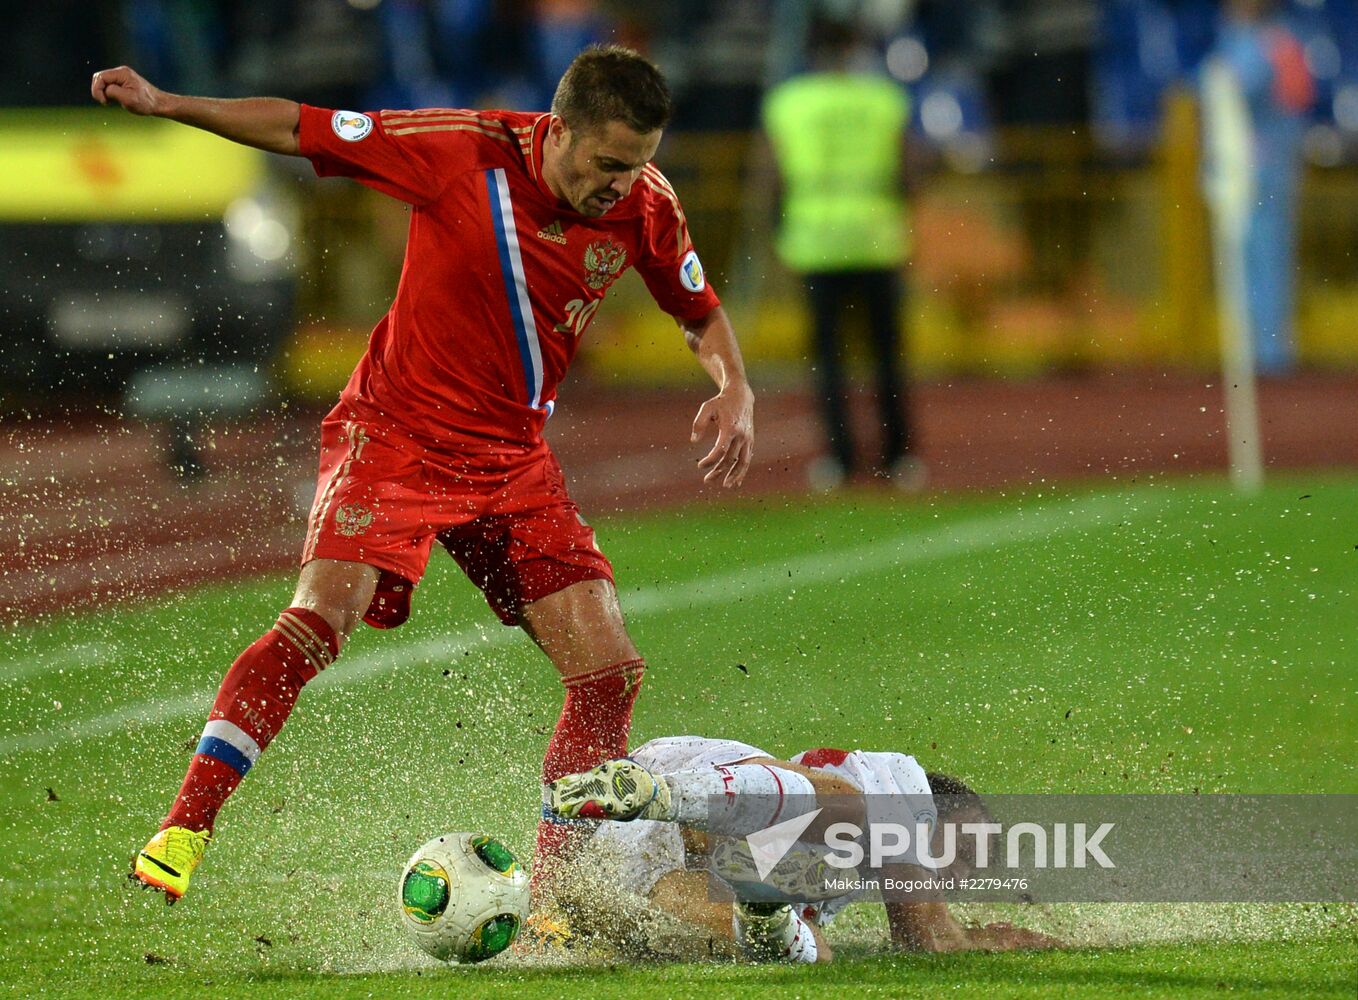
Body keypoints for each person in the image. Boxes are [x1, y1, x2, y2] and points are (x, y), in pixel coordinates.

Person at [91, 45, 755, 904]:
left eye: (636, 166)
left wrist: (733, 385)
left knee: (608, 673)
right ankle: (185, 826)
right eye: (607, 165)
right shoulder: (458, 150)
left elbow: (696, 308)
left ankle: (556, 904)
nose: (619, 186)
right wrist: (167, 101)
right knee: (319, 621)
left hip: (512, 459)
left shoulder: (646, 203)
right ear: (559, 131)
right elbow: (298, 126)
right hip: (396, 438)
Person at [544, 736, 1060, 962]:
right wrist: (980, 938)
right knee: (850, 809)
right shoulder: (900, 781)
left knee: (807, 948)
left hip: (627, 857)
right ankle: (658, 794)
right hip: (699, 779)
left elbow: (928, 930)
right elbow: (926, 934)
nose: (960, 873)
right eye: (966, 848)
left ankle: (758, 906)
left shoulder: (833, 882)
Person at [762, 18, 922, 491]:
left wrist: (777, 231)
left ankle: (839, 459)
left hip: (815, 244)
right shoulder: (884, 99)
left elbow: (773, 177)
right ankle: (899, 458)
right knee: (886, 355)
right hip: (877, 239)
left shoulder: (788, 102)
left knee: (828, 361)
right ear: (854, 49)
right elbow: (908, 172)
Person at [1202, 0, 1315, 375]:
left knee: (1265, 258)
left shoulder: (1271, 39)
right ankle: (1251, 349)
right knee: (1244, 259)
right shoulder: (1243, 37)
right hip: (1248, 167)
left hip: (1265, 168)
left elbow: (1241, 84)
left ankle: (1270, 353)